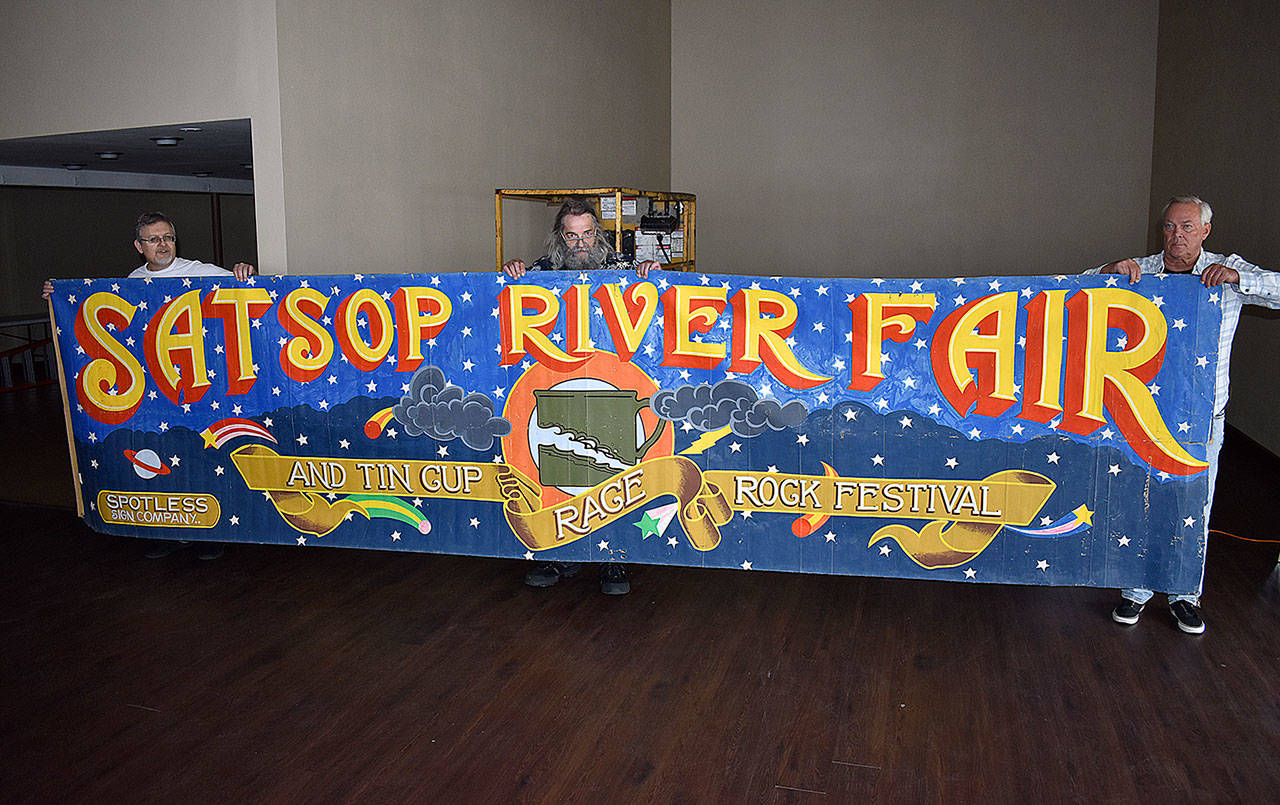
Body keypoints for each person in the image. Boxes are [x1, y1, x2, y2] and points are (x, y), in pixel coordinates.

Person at [1092, 195, 1280, 634]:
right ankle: (1135, 591)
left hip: (1202, 416)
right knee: (1139, 500)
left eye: (1188, 228)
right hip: (1143, 413)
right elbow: (1075, 288)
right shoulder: (1141, 269)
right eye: (1171, 227)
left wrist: (1240, 280)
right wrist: (1107, 274)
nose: (1178, 237)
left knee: (1193, 504)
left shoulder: (1228, 271)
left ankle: (1183, 596)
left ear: (1206, 231)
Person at [43, 211, 258, 560]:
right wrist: (59, 295)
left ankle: (211, 533)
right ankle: (169, 531)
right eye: (154, 239)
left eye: (168, 237)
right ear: (139, 246)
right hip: (155, 389)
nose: (163, 245)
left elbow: (252, 288)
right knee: (159, 457)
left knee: (199, 455)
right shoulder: (133, 280)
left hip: (198, 385)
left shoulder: (199, 272)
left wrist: (244, 272)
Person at [503, 197, 661, 595]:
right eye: (571, 236)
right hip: (561, 385)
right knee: (561, 473)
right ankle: (563, 553)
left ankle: (614, 561)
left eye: (587, 234)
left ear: (599, 233)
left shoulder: (624, 268)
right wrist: (513, 274)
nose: (580, 244)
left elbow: (660, 309)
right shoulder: (541, 271)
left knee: (615, 471)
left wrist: (654, 274)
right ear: (561, 237)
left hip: (613, 385)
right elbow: (510, 302)